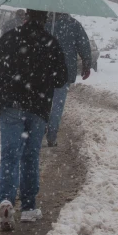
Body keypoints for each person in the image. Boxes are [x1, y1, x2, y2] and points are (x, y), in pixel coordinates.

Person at [0, 9, 68, 228]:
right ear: (45, 19)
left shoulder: (9, 39)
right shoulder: (50, 42)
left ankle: (6, 200)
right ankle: (29, 207)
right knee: (30, 157)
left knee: (9, 157)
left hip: (11, 107)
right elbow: (61, 79)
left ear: (25, 17)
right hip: (37, 109)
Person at [45, 13, 92, 148]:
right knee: (57, 106)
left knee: (43, 102)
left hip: (44, 71)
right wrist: (86, 63)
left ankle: (41, 129)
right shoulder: (73, 24)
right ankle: (52, 136)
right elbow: (83, 44)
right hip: (65, 71)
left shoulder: (44, 22)